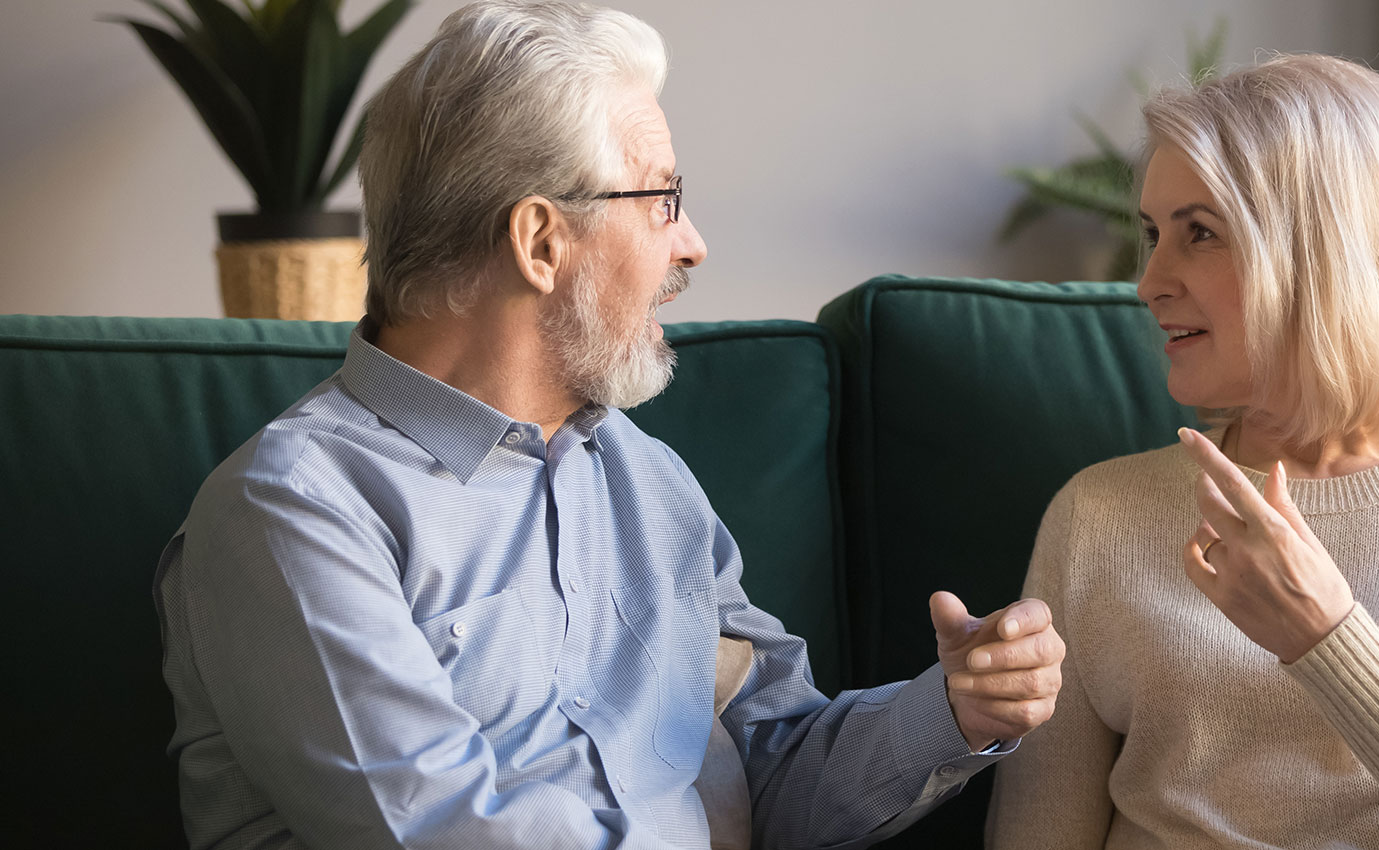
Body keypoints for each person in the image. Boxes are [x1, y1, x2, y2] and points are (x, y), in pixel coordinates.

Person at [153, 3, 1064, 848]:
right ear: (541, 242)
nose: (690, 242)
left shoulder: (647, 482)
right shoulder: (295, 510)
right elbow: (439, 830)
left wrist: (954, 710)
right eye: (660, 198)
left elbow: (773, 770)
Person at [987, 54, 1379, 850]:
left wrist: (1325, 638)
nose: (1148, 282)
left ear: (1329, 254)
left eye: (1200, 234)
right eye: (1152, 235)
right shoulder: (1097, 513)